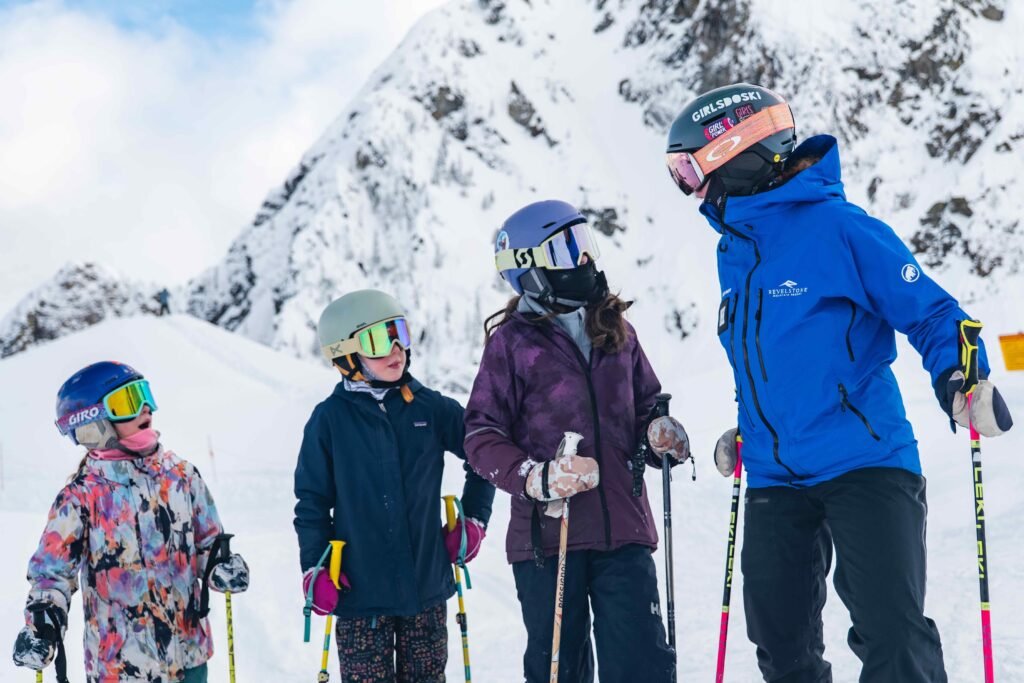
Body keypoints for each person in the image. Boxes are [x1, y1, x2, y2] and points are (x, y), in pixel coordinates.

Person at [664, 82, 1014, 682]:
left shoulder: (839, 228)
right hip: (776, 475)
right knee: (780, 643)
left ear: (737, 149)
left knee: (892, 634)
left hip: (864, 460)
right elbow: (771, 361)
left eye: (689, 167)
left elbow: (931, 311)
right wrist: (753, 428)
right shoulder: (735, 253)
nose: (689, 185)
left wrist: (961, 376)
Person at [463, 200, 692, 683]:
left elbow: (648, 406)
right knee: (559, 672)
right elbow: (481, 435)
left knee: (643, 667)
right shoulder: (511, 345)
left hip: (623, 531)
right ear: (530, 269)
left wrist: (658, 435)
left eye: (585, 244)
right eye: (568, 249)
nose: (585, 260)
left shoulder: (617, 332)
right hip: (548, 541)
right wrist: (536, 477)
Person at [294, 289, 495, 683]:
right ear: (345, 354)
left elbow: (484, 453)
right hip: (360, 599)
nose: (396, 348)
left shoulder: (430, 408)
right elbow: (312, 504)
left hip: (427, 589)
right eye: (378, 340)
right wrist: (314, 568)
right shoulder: (329, 420)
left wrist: (474, 519)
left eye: (399, 333)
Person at [13, 361, 249, 682]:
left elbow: (208, 543)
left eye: (144, 394)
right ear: (93, 424)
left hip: (188, 654)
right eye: (127, 402)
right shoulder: (81, 497)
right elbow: (51, 576)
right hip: (121, 667)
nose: (145, 408)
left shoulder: (181, 477)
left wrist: (220, 566)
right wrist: (43, 623)